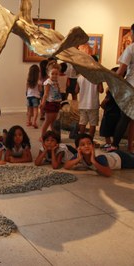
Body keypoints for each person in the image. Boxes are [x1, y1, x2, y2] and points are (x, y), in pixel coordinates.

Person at [107, 23, 134, 153]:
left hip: (131, 87)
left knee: (124, 117)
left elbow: (121, 70)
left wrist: (112, 85)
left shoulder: (131, 48)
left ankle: (115, 144)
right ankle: (130, 146)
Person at [64, 133, 134, 177]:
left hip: (121, 159)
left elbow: (108, 173)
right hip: (112, 153)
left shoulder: (99, 157)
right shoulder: (79, 155)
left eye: (89, 143)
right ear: (78, 148)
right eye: (82, 145)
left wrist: (93, 161)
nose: (86, 146)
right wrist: (78, 159)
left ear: (93, 145)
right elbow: (66, 166)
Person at [75, 55, 104, 139]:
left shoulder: (80, 77)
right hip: (93, 104)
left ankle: (80, 139)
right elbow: (101, 90)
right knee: (93, 123)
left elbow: (76, 91)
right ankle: (90, 140)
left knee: (82, 122)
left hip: (82, 104)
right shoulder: (97, 76)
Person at [39, 62, 62, 139]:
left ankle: (53, 136)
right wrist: (42, 103)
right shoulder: (48, 82)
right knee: (48, 121)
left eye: (56, 74)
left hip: (56, 103)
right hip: (50, 103)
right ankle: (42, 136)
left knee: (53, 121)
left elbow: (58, 92)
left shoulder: (56, 82)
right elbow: (45, 94)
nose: (55, 75)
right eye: (53, 73)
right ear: (49, 73)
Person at [26, 64, 41, 128]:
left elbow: (26, 90)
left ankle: (28, 121)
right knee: (35, 110)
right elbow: (40, 90)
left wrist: (27, 95)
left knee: (29, 110)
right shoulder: (38, 81)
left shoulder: (28, 81)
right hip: (35, 97)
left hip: (29, 97)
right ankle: (34, 122)